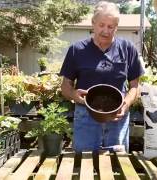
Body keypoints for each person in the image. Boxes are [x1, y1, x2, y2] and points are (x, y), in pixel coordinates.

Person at [59, 1, 145, 153]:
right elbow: (65, 86)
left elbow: (135, 86)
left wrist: (125, 105)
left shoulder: (127, 49)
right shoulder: (76, 50)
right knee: (85, 166)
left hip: (117, 117)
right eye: (101, 25)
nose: (105, 30)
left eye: (111, 26)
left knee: (117, 167)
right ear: (93, 24)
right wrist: (74, 95)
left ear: (116, 27)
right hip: (86, 116)